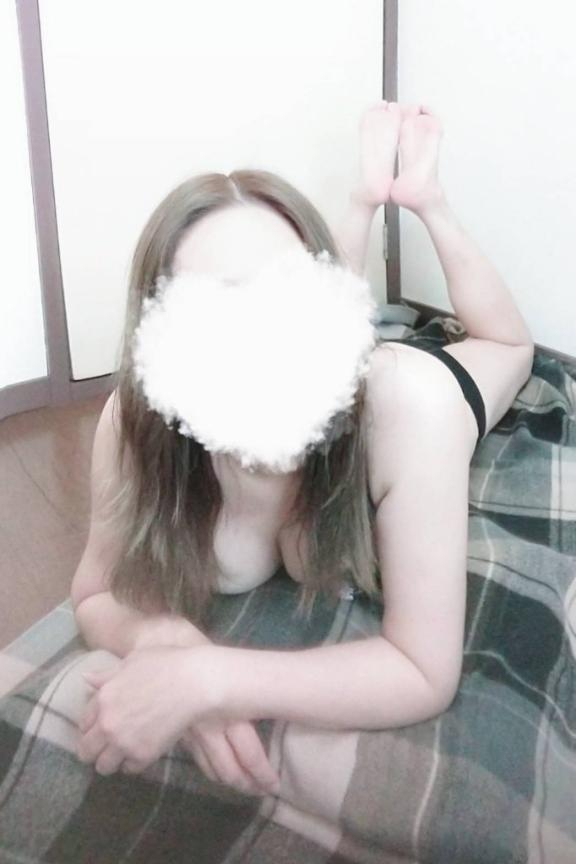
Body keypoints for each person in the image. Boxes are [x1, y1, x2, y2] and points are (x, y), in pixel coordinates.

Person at [73, 101, 534, 799]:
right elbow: (94, 592)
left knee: (508, 344)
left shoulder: (415, 407)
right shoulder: (134, 422)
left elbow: (422, 669)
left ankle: (420, 197)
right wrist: (160, 641)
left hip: (413, 388)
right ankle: (365, 196)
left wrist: (210, 679)